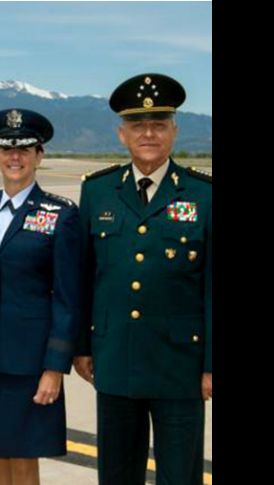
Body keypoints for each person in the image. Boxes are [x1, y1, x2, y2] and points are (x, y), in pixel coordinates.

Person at [73, 73, 212, 485]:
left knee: (179, 475)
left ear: (174, 131)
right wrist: (82, 346)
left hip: (180, 367)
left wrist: (211, 364)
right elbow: (85, 275)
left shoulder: (202, 194)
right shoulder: (98, 192)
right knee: (116, 473)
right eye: (137, 125)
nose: (148, 133)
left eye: (158, 125)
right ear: (122, 134)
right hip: (115, 361)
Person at [0, 109, 82, 485]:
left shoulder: (60, 214)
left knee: (26, 459)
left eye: (25, 150)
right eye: (5, 149)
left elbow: (67, 297)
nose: (15, 157)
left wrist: (54, 368)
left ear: (39, 156)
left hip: (30, 362)